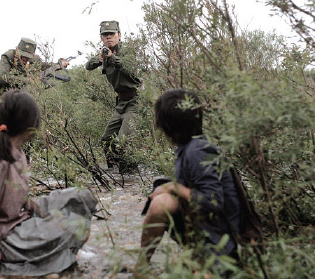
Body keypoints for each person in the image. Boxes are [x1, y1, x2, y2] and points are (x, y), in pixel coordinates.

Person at [0, 89, 97, 276]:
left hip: (23, 216)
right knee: (73, 223)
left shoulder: (17, 153)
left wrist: (43, 209)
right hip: (10, 237)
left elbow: (19, 199)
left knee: (80, 196)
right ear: (31, 125)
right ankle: (27, 258)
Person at [137, 89, 240, 269]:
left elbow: (213, 201)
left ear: (168, 126)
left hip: (222, 243)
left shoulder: (197, 151)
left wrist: (173, 187)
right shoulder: (192, 147)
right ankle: (143, 266)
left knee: (162, 201)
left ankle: (146, 265)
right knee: (162, 196)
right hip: (209, 231)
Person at [85, 20, 142, 174]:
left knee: (124, 140)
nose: (108, 37)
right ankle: (116, 174)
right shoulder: (103, 52)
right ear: (101, 37)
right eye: (105, 35)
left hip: (135, 100)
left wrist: (113, 58)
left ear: (119, 35)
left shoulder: (128, 50)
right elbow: (88, 66)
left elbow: (130, 68)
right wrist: (100, 59)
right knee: (106, 140)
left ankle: (130, 173)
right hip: (121, 102)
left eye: (111, 34)